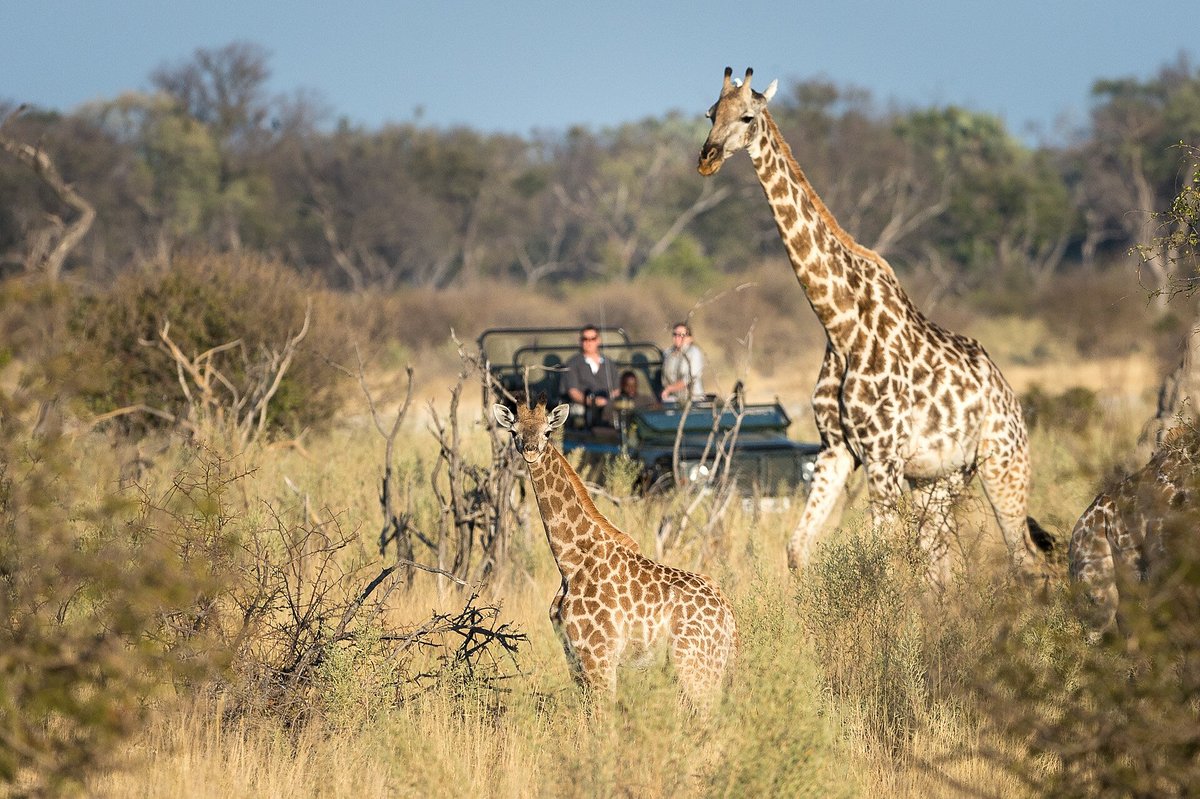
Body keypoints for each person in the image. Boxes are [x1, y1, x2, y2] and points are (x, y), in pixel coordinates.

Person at [562, 324, 620, 421]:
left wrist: (606, 402)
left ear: (598, 340)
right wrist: (591, 402)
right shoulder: (572, 363)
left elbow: (616, 389)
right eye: (585, 339)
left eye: (592, 339)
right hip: (583, 407)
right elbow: (573, 392)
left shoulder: (609, 363)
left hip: (608, 405)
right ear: (581, 341)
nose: (589, 342)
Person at [660, 322, 706, 403]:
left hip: (693, 400)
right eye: (675, 334)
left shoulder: (694, 352)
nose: (678, 337)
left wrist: (670, 389)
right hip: (673, 399)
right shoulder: (668, 353)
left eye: (682, 335)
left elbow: (690, 377)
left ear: (690, 338)